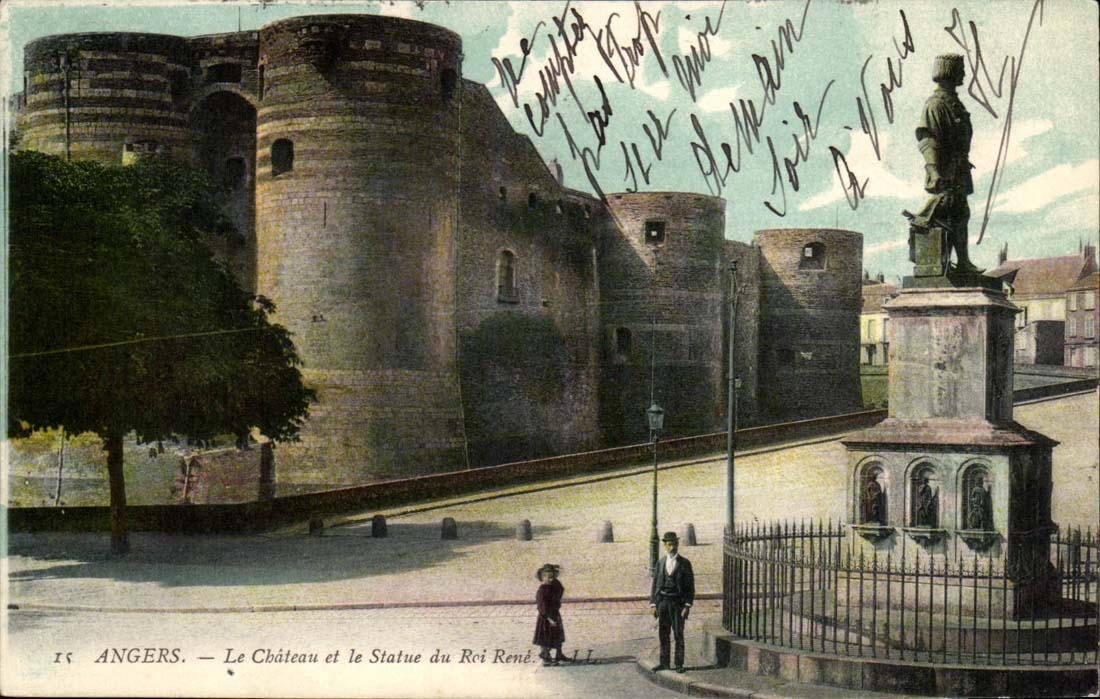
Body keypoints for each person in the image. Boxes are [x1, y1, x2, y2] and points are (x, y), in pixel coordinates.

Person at [912, 54, 983, 274]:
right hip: (945, 170)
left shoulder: (954, 103)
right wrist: (933, 170)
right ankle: (939, 264)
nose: (963, 74)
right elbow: (927, 139)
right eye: (960, 70)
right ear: (949, 72)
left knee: (961, 213)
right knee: (945, 213)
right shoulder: (936, 104)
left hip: (959, 169)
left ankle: (962, 262)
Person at [649, 531, 695, 673]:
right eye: (669, 544)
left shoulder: (685, 563)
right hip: (663, 602)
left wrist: (687, 605)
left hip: (677, 603)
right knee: (663, 634)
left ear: (677, 544)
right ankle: (664, 663)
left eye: (674, 544)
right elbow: (655, 583)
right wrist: (653, 604)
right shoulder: (661, 562)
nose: (672, 547)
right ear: (665, 545)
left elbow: (690, 586)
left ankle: (679, 664)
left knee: (678, 634)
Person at [532, 563, 567, 666]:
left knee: (557, 635)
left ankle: (559, 654)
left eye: (552, 577)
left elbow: (560, 590)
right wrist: (549, 619)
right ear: (542, 578)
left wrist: (555, 580)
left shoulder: (554, 586)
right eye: (548, 577)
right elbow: (541, 606)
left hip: (555, 614)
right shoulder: (542, 590)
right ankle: (545, 658)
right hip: (546, 618)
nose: (551, 579)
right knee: (545, 638)